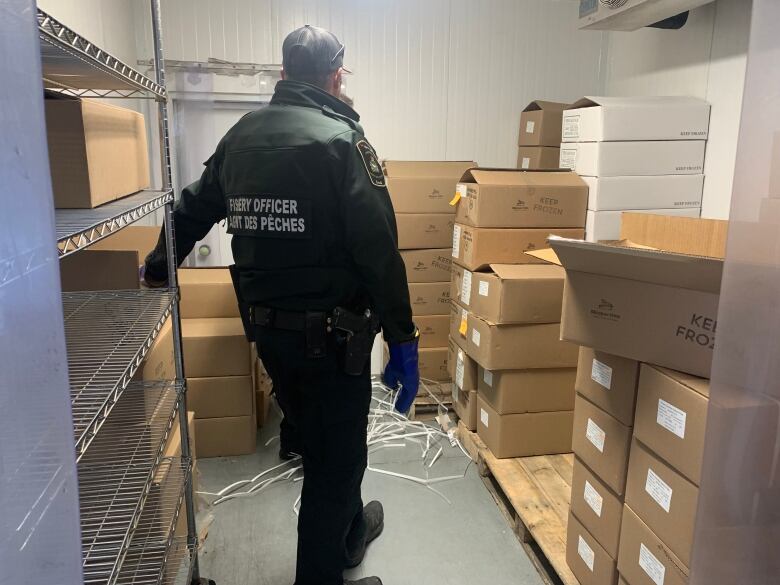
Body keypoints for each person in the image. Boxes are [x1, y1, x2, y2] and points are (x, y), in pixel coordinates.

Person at [142, 24, 420, 585]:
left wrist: (155, 265)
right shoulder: (344, 143)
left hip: (269, 335)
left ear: (285, 73)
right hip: (334, 340)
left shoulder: (241, 136)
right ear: (336, 75)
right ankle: (324, 571)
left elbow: (191, 210)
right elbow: (379, 253)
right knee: (334, 464)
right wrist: (404, 338)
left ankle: (348, 538)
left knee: (330, 445)